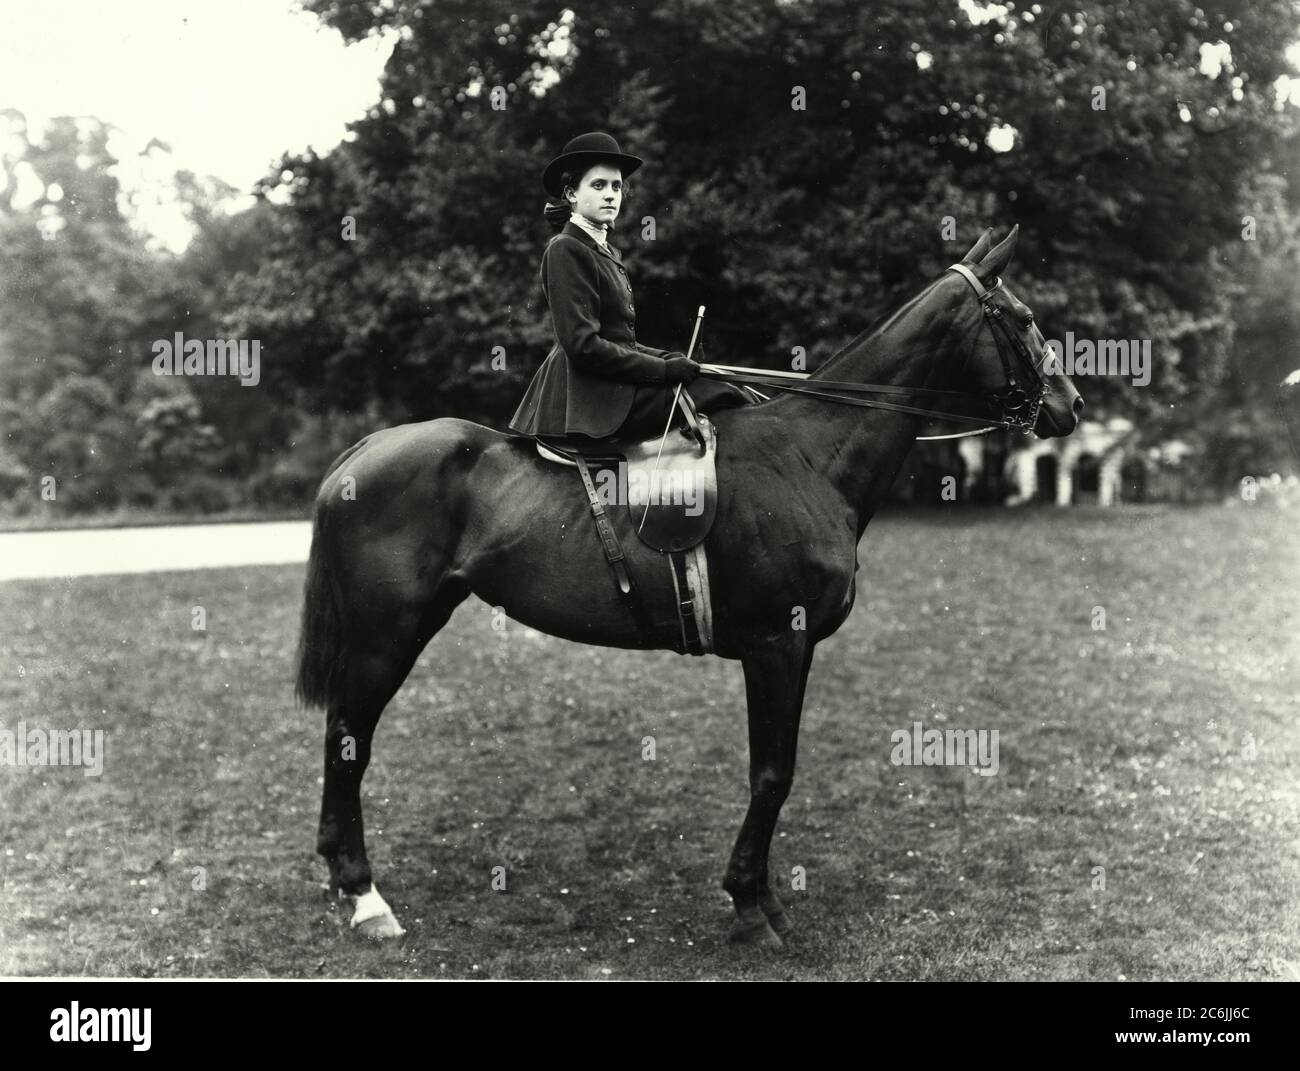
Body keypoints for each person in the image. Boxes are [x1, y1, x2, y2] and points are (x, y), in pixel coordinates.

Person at [508, 131, 749, 443]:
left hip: (612, 388)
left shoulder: (606, 251)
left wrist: (669, 359)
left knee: (724, 384)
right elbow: (584, 346)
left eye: (617, 186)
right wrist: (663, 371)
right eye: (599, 185)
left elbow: (622, 342)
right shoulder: (565, 248)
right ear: (571, 194)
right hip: (590, 399)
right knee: (722, 394)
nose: (611, 195)